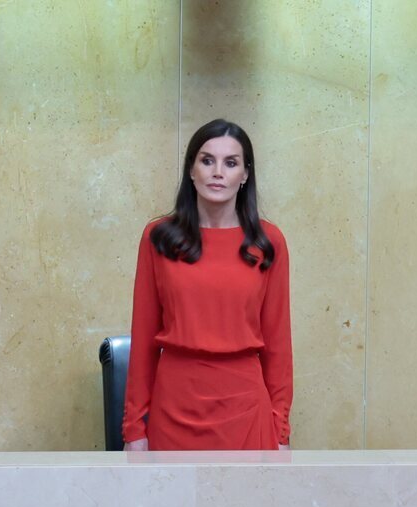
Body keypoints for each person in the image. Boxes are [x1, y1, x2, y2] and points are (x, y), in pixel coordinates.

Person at [121, 119, 293, 451]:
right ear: (191, 169)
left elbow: (278, 345)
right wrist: (134, 430)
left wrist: (280, 430)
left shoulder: (269, 242)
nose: (218, 172)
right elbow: (142, 338)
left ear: (244, 175)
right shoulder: (158, 237)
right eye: (207, 160)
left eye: (231, 163)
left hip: (245, 409)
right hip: (173, 406)